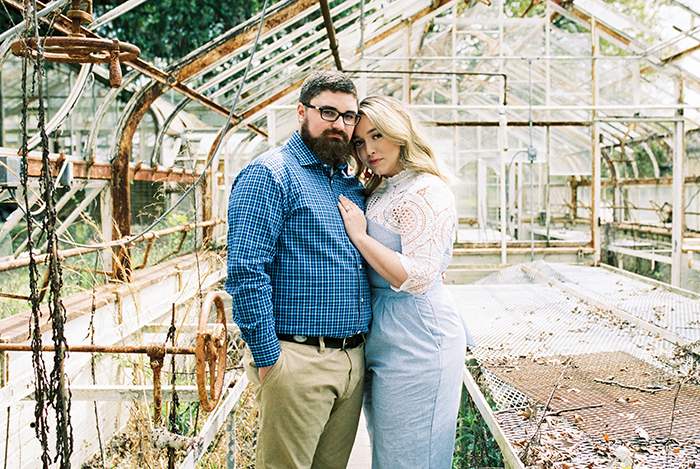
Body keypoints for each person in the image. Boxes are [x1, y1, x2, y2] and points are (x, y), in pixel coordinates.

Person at [226, 70, 371, 469]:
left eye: (349, 116)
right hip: (297, 360)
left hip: (351, 359)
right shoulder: (271, 174)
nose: (340, 125)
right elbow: (245, 270)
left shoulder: (348, 183)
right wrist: (270, 360)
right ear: (301, 112)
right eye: (328, 112)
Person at [338, 95, 476, 468]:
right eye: (360, 143)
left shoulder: (426, 191)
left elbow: (418, 276)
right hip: (383, 331)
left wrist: (360, 236)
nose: (369, 150)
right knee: (389, 450)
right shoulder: (383, 188)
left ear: (400, 133)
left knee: (414, 454)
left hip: (419, 335)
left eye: (377, 136)